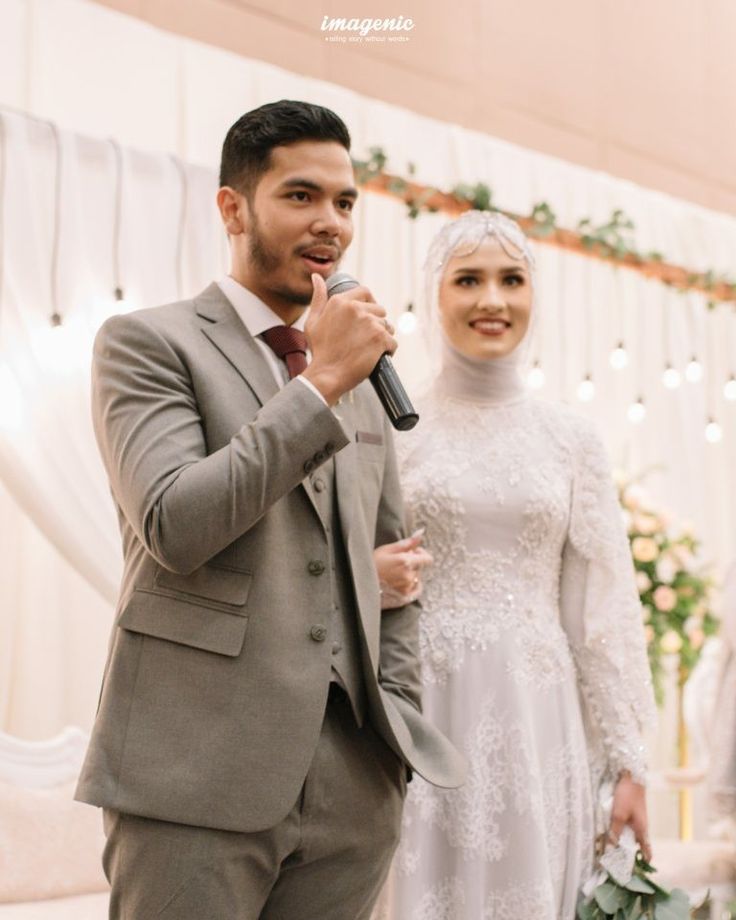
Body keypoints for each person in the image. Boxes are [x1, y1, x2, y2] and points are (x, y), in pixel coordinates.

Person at [74, 99, 464, 920]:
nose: (331, 223)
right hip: (194, 780)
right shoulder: (149, 344)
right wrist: (319, 382)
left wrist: (389, 741)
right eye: (300, 196)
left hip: (352, 791)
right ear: (232, 207)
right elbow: (176, 525)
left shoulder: (362, 375)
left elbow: (399, 574)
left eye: (346, 201)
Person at [373, 210, 656, 919]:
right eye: (467, 279)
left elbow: (604, 605)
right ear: (434, 295)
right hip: (423, 705)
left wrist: (628, 763)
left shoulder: (572, 439)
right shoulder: (386, 430)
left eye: (511, 279)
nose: (491, 300)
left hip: (539, 717)